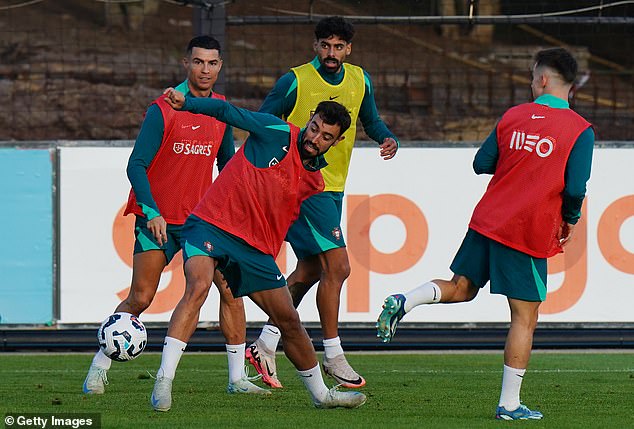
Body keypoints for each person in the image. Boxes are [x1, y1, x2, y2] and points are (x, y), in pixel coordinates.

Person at [377, 47, 594, 421]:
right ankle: (509, 405)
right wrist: (570, 217)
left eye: (530, 77)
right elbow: (575, 188)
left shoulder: (512, 116)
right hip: (525, 230)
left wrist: (520, 159)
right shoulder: (579, 130)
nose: (530, 82)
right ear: (569, 86)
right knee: (524, 318)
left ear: (542, 79)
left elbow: (481, 163)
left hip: (488, 221)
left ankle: (405, 300)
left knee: (461, 287)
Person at [149, 90, 367, 412]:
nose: (316, 138)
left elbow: (299, 226)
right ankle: (164, 381)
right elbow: (229, 112)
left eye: (326, 136)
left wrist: (313, 260)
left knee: (289, 321)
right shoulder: (274, 130)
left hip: (254, 250)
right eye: (315, 128)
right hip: (211, 223)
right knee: (199, 286)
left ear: (336, 142)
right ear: (309, 120)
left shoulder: (315, 182)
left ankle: (322, 396)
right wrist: (189, 104)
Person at [82, 36, 256, 396]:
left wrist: (232, 210)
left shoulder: (221, 110)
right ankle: (99, 368)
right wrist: (152, 211)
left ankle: (237, 379)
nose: (204, 69)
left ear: (220, 66)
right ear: (185, 64)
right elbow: (137, 165)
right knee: (141, 298)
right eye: (198, 62)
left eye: (211, 63)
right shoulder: (162, 109)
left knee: (230, 290)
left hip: (200, 224)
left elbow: (226, 165)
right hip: (158, 221)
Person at [248, 15, 399, 389]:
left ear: (349, 49)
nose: (331, 53)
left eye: (339, 47)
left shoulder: (359, 79)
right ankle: (333, 354)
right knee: (340, 266)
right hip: (301, 187)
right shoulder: (295, 80)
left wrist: (386, 137)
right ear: (315, 46)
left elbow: (371, 120)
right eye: (325, 46)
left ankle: (265, 344)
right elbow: (264, 122)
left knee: (313, 269)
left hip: (333, 188)